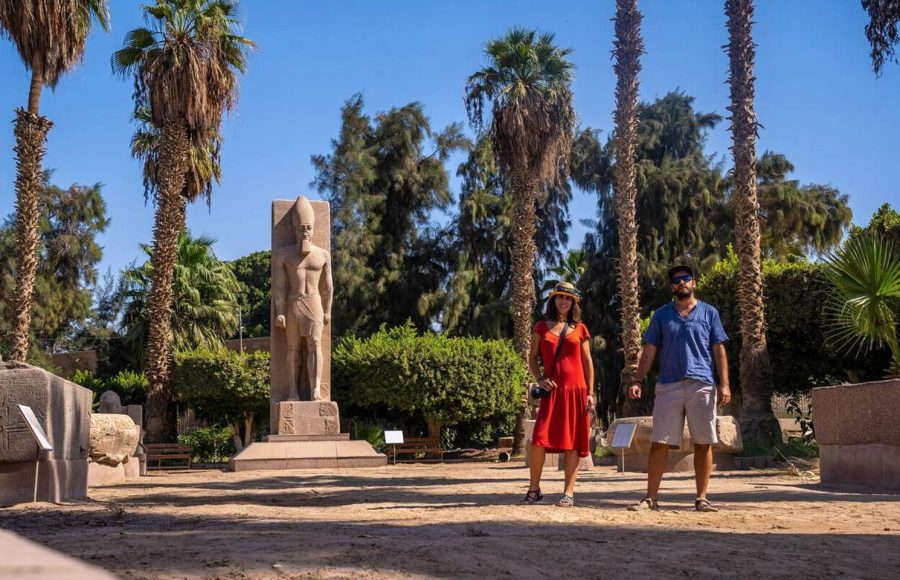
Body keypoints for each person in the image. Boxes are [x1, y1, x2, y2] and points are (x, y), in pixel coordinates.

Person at [626, 265, 730, 513]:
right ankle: (650, 498)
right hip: (669, 385)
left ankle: (702, 498)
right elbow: (650, 350)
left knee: (704, 442)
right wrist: (638, 380)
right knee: (659, 441)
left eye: (686, 278)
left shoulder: (709, 313)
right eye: (676, 280)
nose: (681, 282)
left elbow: (718, 349)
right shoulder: (661, 315)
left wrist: (724, 384)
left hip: (702, 384)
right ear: (672, 286)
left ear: (694, 282)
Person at [520, 281, 595, 507]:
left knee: (572, 442)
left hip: (576, 391)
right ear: (553, 300)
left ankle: (568, 493)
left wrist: (590, 393)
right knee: (539, 439)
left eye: (568, 299)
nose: (564, 302)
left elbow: (587, 362)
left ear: (573, 303)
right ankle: (534, 489)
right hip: (552, 392)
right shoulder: (541, 327)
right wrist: (540, 379)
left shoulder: (580, 328)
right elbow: (532, 357)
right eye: (560, 297)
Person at [273, 196, 333, 401]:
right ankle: (293, 392)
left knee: (315, 344)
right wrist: (280, 312)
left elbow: (328, 286)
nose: (305, 231)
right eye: (301, 228)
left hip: (314, 302)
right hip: (293, 303)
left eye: (308, 227)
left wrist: (328, 311)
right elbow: (279, 286)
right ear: (295, 230)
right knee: (293, 348)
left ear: (313, 228)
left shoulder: (323, 255)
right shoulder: (284, 254)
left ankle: (316, 389)